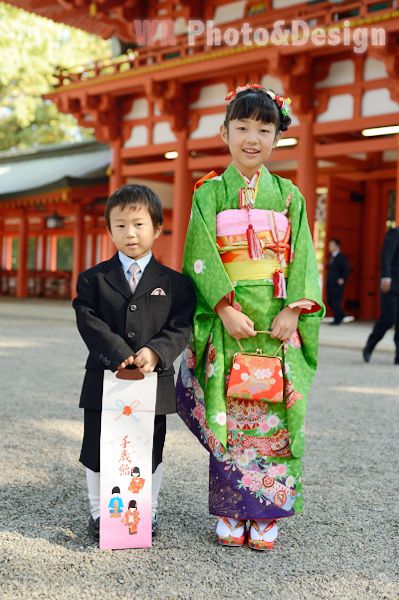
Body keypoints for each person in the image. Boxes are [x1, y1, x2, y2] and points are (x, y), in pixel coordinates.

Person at [176, 83, 325, 551]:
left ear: (277, 137)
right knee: (230, 410)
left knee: (272, 412)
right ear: (225, 133)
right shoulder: (208, 194)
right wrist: (221, 306)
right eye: (242, 127)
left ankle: (266, 511)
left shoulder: (289, 196)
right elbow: (199, 255)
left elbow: (303, 258)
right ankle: (230, 508)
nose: (252, 138)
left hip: (277, 324)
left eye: (263, 128)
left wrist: (293, 311)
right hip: (229, 321)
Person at [73, 184, 196, 542]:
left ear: (158, 227)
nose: (131, 233)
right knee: (97, 444)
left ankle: (147, 510)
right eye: (121, 225)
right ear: (109, 230)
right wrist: (116, 351)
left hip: (151, 380)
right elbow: (87, 317)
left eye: (139, 224)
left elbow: (182, 324)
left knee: (149, 447)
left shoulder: (175, 284)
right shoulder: (93, 278)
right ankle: (99, 512)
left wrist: (156, 351)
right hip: (104, 375)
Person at [363, 226, 399, 364]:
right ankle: (369, 346)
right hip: (391, 285)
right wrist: (386, 277)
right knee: (388, 318)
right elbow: (386, 255)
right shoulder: (395, 233)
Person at [326, 239, 350, 325]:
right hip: (330, 283)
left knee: (336, 302)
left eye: (331, 245)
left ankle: (337, 320)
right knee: (329, 301)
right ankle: (341, 315)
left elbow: (346, 269)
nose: (330, 247)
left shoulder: (342, 257)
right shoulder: (330, 257)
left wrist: (342, 278)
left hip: (337, 283)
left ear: (337, 246)